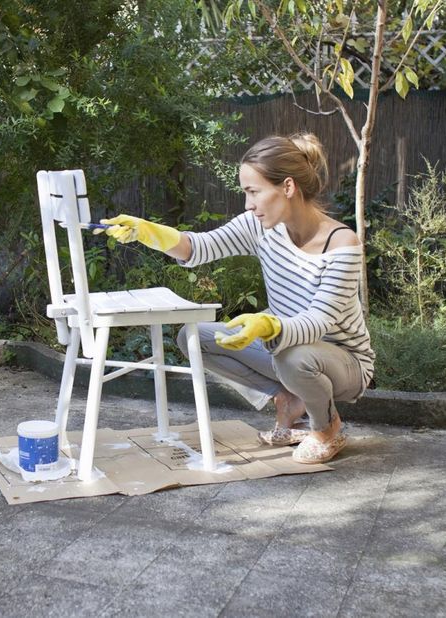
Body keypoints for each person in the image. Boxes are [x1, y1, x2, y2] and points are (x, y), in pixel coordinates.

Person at [98, 133, 373, 464]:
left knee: (292, 358)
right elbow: (198, 247)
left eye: (254, 192)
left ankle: (327, 428)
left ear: (287, 187)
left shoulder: (342, 244)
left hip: (344, 362)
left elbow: (318, 322)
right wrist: (147, 232)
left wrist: (269, 325)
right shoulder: (261, 227)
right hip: (287, 346)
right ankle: (287, 396)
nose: (248, 204)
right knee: (194, 337)